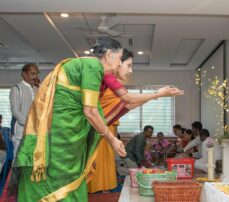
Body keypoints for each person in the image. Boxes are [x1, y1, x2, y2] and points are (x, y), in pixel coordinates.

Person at [14, 37, 127, 202]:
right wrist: (111, 139)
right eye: (119, 59)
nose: (119, 64)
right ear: (109, 55)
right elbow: (90, 111)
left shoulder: (80, 63)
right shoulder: (93, 66)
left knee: (52, 179)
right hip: (63, 137)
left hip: (60, 131)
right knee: (62, 178)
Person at [88, 49, 183, 193]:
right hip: (95, 129)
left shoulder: (109, 81)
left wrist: (157, 96)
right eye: (129, 65)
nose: (130, 71)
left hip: (102, 131)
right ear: (117, 61)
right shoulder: (104, 78)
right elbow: (128, 100)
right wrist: (158, 94)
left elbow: (128, 105)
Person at [9, 63, 39, 157]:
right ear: (24, 74)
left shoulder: (36, 89)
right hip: (21, 132)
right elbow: (15, 111)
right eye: (33, 73)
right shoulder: (16, 89)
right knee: (20, 162)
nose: (35, 76)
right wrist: (29, 124)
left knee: (33, 161)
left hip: (35, 132)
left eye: (37, 74)